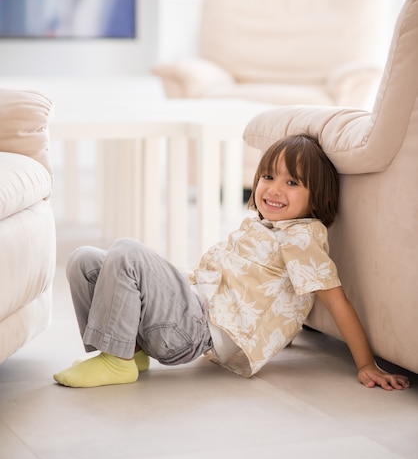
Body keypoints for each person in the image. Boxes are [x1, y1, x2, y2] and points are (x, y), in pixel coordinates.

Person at [53, 134, 410, 391]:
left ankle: (118, 363)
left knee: (127, 250)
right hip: (185, 313)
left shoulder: (301, 237)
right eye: (268, 177)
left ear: (318, 197)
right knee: (84, 259)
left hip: (194, 331)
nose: (273, 189)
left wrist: (366, 364)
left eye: (292, 182)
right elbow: (265, 296)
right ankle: (128, 350)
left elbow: (336, 301)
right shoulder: (261, 227)